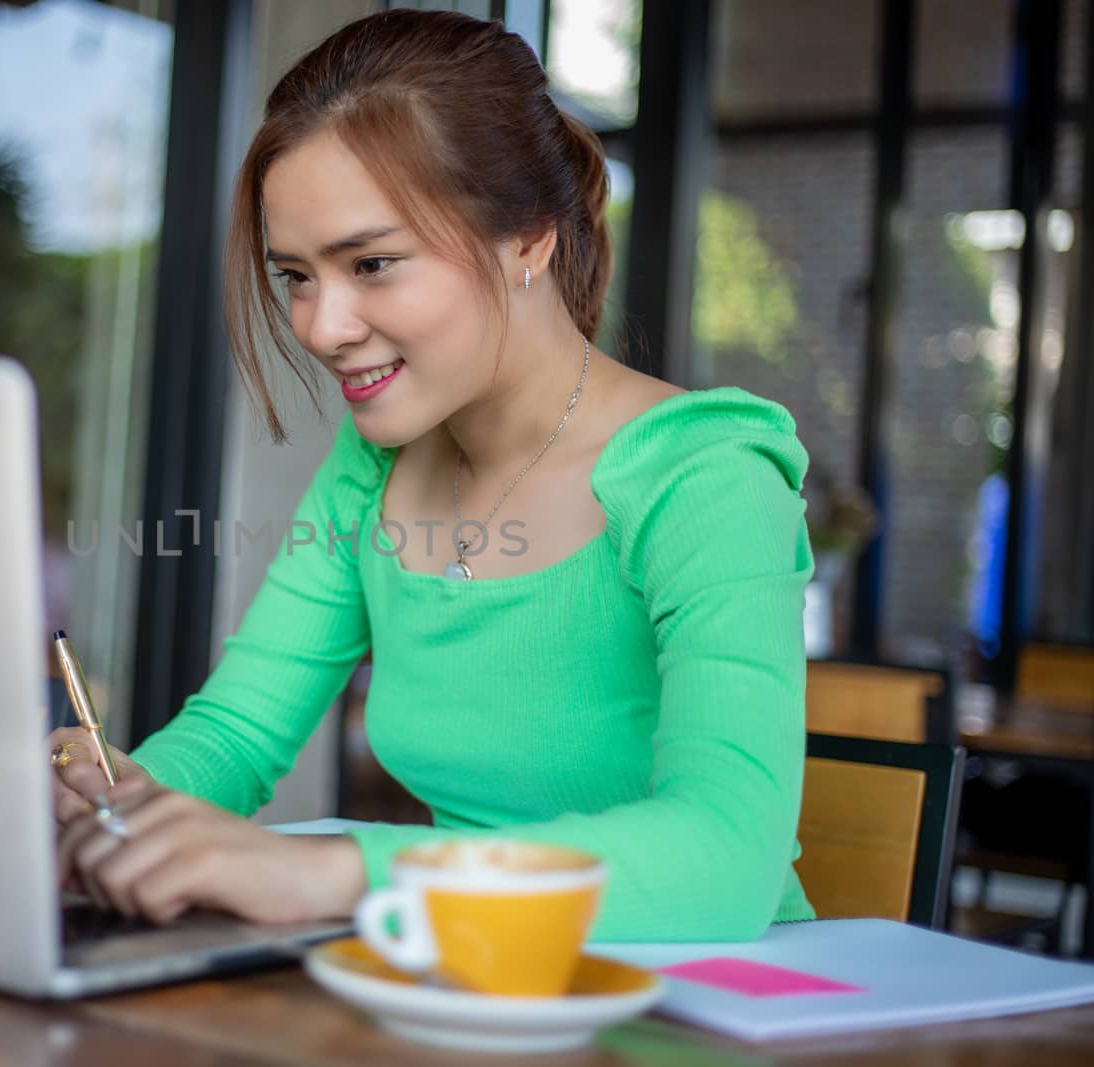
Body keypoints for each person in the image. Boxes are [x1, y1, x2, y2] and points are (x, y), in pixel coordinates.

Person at [47, 8, 815, 941]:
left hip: (695, 1000)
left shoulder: (705, 476)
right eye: (294, 275)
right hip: (465, 984)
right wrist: (118, 801)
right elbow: (237, 734)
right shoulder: (373, 470)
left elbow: (728, 858)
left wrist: (330, 870)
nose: (322, 327)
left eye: (372, 263)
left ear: (531, 239)